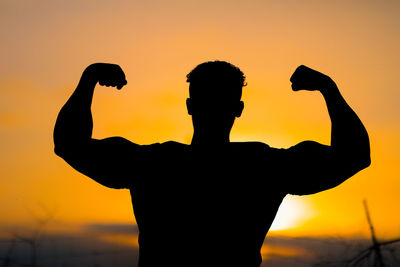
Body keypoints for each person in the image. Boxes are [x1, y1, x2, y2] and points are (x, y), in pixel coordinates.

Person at [53, 61, 370, 267]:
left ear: (190, 106)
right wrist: (328, 89)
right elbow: (354, 155)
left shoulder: (153, 164)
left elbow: (70, 144)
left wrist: (89, 79)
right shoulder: (264, 168)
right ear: (239, 109)